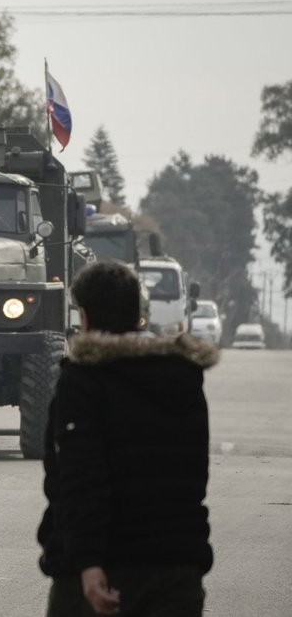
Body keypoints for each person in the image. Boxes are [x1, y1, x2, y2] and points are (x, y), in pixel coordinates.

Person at [38, 260, 216, 616]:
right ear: (138, 315)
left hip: (102, 575)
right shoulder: (182, 379)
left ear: (84, 317)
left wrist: (88, 563)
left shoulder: (83, 381)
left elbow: (80, 478)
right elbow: (194, 476)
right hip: (177, 569)